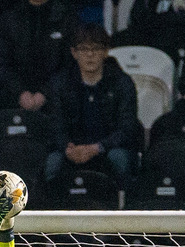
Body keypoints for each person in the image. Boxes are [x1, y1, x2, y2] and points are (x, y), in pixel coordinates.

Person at [45, 24, 141, 183]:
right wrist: (67, 148)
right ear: (74, 53)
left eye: (96, 49)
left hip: (108, 148)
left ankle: (122, 204)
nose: (90, 55)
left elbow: (127, 128)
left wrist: (97, 147)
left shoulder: (122, 82)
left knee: (120, 158)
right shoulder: (60, 83)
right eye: (83, 49)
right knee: (53, 162)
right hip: (73, 149)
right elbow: (55, 124)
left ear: (105, 52)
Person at [0, 0, 75, 113]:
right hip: (13, 94)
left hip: (56, 95)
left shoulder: (66, 17)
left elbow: (71, 63)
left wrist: (45, 92)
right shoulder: (9, 18)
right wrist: (20, 91)